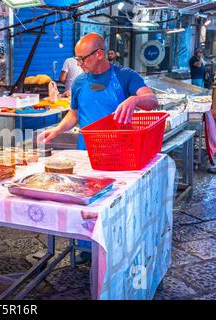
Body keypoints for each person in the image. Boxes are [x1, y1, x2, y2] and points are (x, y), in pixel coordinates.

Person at [37, 33, 158, 264]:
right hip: (87, 153)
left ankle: (117, 247)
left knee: (116, 204)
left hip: (122, 154)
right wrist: (57, 130)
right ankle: (86, 247)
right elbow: (74, 113)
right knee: (87, 200)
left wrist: (135, 100)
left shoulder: (125, 76)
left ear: (99, 53)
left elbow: (152, 100)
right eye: (77, 59)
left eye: (82, 59)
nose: (79, 64)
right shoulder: (80, 82)